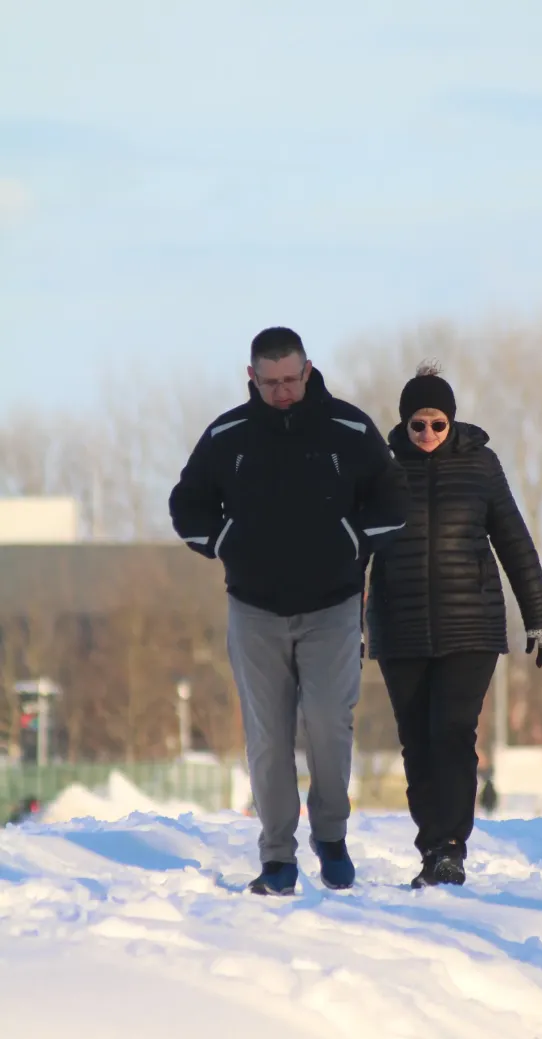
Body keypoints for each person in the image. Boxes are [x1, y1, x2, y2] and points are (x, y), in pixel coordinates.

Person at [170, 327, 407, 896]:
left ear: (308, 371)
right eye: (270, 382)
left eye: (291, 380)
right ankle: (277, 856)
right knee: (268, 737)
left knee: (328, 723)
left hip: (333, 605)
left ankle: (330, 834)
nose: (282, 392)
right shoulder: (228, 434)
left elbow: (393, 501)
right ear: (251, 377)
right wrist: (227, 540)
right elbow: (186, 505)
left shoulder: (348, 428)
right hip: (254, 609)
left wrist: (351, 539)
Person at [366, 363, 542, 888]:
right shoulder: (380, 469)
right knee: (416, 743)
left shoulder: (481, 467)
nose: (427, 434)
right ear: (403, 424)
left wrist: (538, 618)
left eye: (437, 424)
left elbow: (515, 542)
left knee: (451, 733)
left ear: (452, 422)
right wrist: (346, 624)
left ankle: (451, 848)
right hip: (399, 627)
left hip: (470, 625)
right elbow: (353, 550)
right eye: (417, 425)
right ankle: (432, 847)